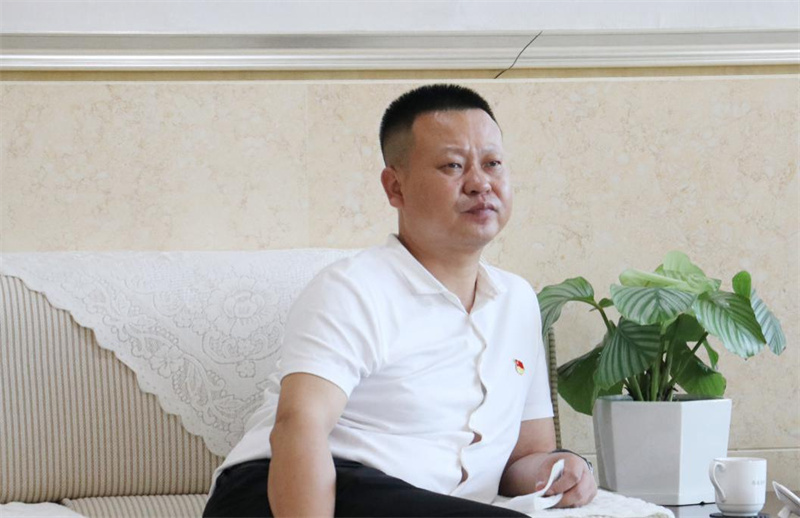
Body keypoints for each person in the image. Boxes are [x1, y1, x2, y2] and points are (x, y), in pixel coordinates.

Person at [203, 84, 597, 518]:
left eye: (492, 164)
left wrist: (561, 470)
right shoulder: (352, 288)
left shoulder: (518, 301)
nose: (480, 183)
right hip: (286, 492)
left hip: (410, 502)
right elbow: (298, 428)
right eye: (453, 165)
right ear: (395, 187)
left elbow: (524, 458)